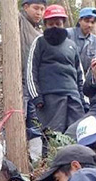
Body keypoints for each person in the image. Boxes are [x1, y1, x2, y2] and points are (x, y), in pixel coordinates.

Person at [27, 4, 85, 134]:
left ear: (63, 24)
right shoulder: (39, 42)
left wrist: (84, 100)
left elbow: (80, 74)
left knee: (77, 134)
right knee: (53, 135)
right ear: (45, 24)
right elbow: (31, 71)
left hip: (73, 96)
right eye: (51, 24)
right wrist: (36, 97)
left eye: (58, 24)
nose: (55, 27)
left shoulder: (71, 45)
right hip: (50, 98)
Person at [19, 0, 47, 162]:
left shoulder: (40, 33)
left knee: (35, 119)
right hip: (18, 80)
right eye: (36, 8)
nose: (39, 13)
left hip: (34, 84)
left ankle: (35, 159)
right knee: (17, 116)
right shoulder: (20, 21)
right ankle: (9, 154)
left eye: (42, 9)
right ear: (25, 7)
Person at [66, 7, 96, 74]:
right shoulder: (68, 34)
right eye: (86, 21)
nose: (89, 25)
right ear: (79, 21)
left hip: (86, 78)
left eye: (92, 22)